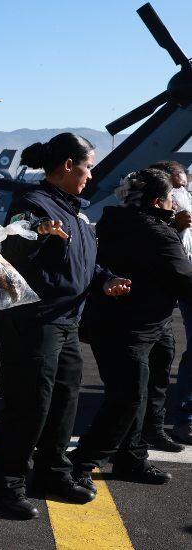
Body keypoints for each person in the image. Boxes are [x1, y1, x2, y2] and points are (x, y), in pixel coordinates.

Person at [0, 133, 132, 519]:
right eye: (87, 166)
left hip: (65, 321)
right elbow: (12, 251)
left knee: (64, 401)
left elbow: (84, 262)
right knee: (29, 404)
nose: (90, 175)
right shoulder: (32, 204)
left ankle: (52, 472)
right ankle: (6, 484)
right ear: (68, 165)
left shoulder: (76, 211)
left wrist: (105, 279)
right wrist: (38, 233)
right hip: (33, 321)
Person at [70, 168, 191, 488]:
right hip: (131, 327)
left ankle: (132, 457)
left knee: (141, 391)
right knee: (128, 397)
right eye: (171, 197)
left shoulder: (116, 222)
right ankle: (83, 461)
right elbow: (183, 278)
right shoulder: (156, 232)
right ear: (157, 202)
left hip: (137, 323)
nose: (175, 202)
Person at [148, 160, 192, 448]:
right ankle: (184, 418)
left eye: (184, 188)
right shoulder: (146, 212)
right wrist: (173, 225)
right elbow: (148, 240)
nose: (181, 194)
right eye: (176, 188)